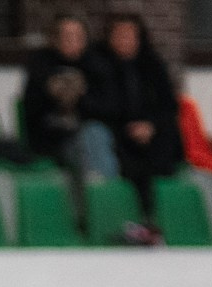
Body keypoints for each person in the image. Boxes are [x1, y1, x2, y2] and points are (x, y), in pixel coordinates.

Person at [80, 12, 183, 210]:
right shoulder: (97, 64)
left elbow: (168, 106)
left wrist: (150, 126)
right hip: (115, 130)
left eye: (129, 35)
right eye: (119, 35)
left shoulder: (152, 65)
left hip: (150, 133)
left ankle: (156, 215)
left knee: (168, 136)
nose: (124, 41)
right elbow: (93, 106)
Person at [21, 13, 117, 183]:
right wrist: (52, 94)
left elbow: (108, 110)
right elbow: (31, 111)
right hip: (52, 139)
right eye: (67, 36)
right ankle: (101, 196)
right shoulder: (41, 66)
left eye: (78, 36)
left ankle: (101, 188)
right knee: (91, 142)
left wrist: (80, 97)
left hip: (88, 135)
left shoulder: (96, 66)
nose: (72, 41)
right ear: (55, 39)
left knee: (95, 135)